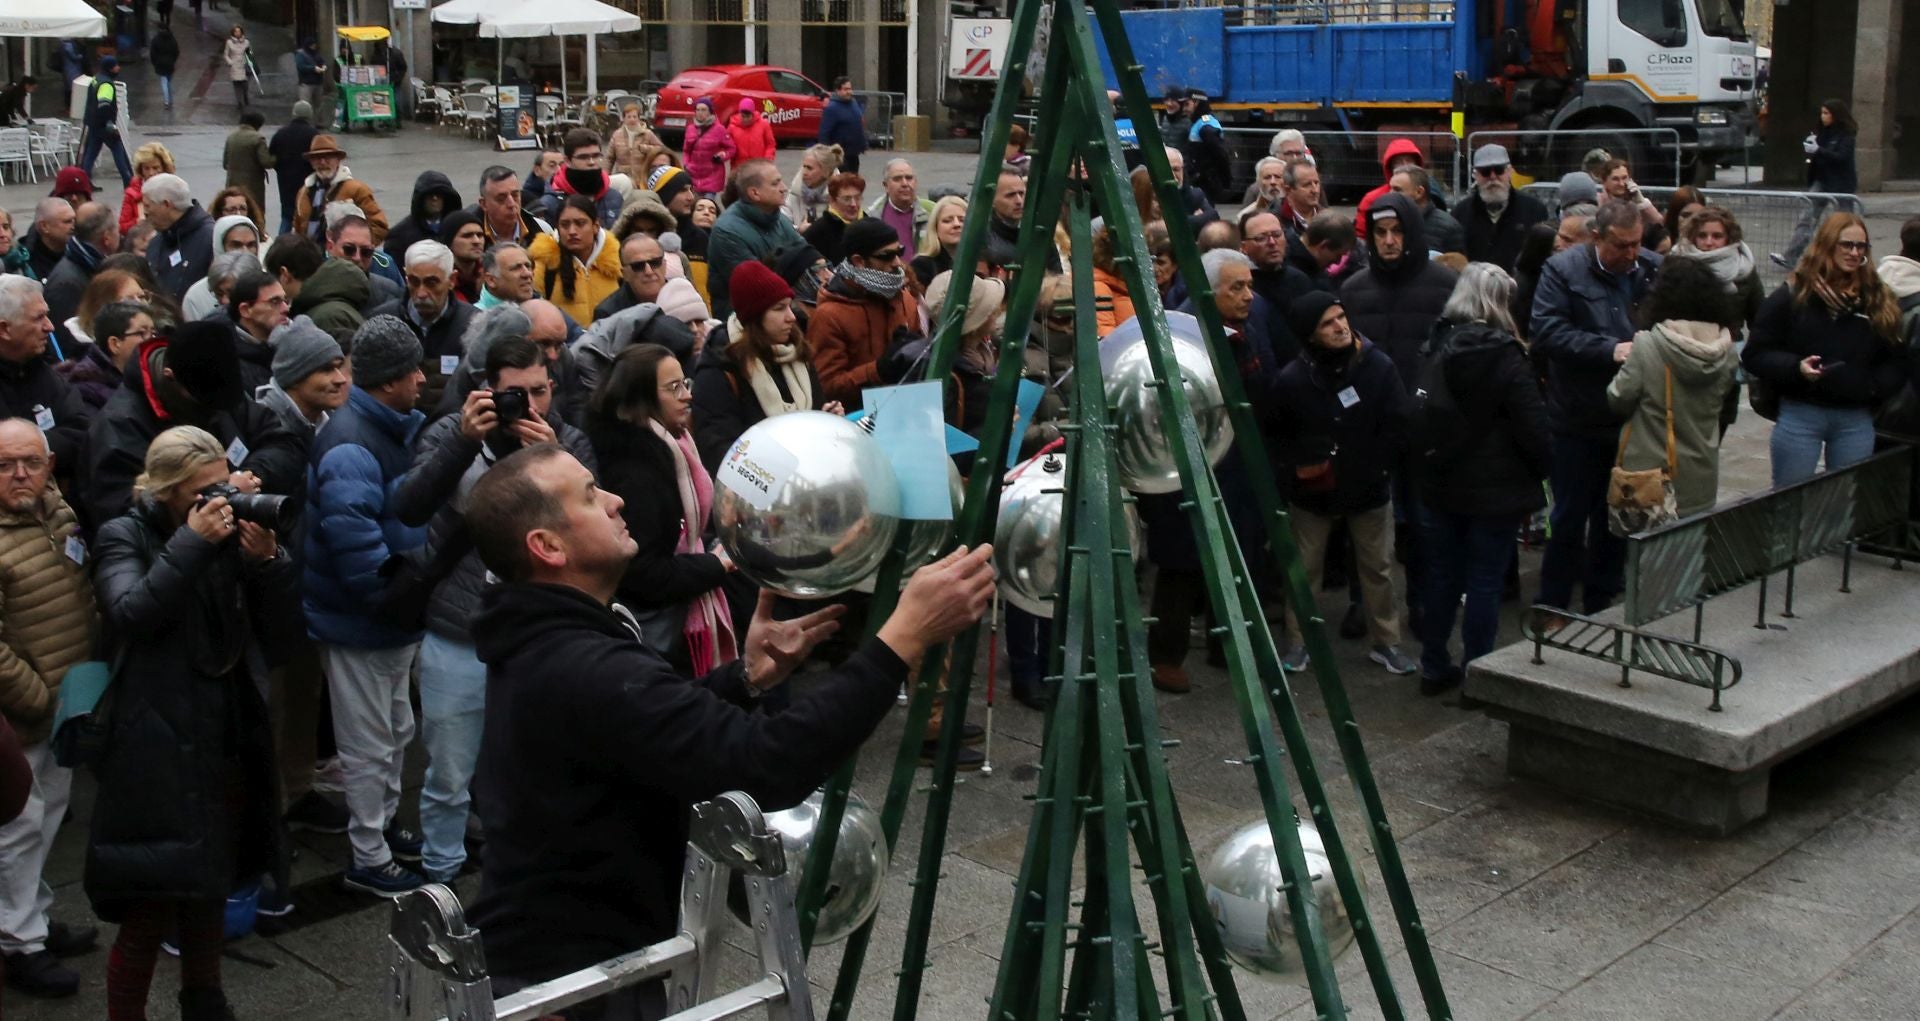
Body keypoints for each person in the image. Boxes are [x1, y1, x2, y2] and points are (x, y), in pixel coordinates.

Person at [457, 423, 992, 1006]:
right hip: (566, 989)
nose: (616, 501)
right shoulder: (577, 663)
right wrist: (900, 641)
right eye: (589, 495)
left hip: (580, 961)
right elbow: (765, 764)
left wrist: (745, 678)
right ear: (548, 547)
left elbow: (647, 728)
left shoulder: (551, 635)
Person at [86, 425, 291, 1021]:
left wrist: (268, 562)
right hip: (154, 740)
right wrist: (195, 543)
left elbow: (281, 638)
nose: (220, 498)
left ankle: (206, 1001)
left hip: (224, 730)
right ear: (169, 491)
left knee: (211, 884)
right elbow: (131, 613)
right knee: (150, 904)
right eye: (205, 489)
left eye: (225, 483)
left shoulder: (226, 533)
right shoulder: (124, 533)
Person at [392, 333, 593, 884]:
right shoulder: (450, 433)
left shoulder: (567, 441)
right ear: (486, 392)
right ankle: (442, 878)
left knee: (537, 766)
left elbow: (590, 530)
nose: (529, 407)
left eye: (540, 391)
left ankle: (528, 872)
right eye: (515, 394)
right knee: (449, 773)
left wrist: (552, 458)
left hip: (539, 634)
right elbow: (410, 507)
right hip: (461, 631)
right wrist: (461, 442)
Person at [304, 316, 432, 897]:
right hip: (365, 621)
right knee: (367, 743)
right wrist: (391, 598)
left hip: (392, 616)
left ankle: (383, 825)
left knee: (396, 730)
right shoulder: (353, 444)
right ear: (390, 381)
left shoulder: (387, 427)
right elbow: (354, 541)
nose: (424, 380)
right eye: (414, 371)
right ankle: (368, 854)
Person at [1412, 265, 1549, 694]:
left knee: (1442, 578)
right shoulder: (1508, 356)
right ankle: (1478, 672)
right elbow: (1534, 426)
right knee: (1485, 582)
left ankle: (1433, 665)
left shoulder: (1437, 342)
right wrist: (1542, 470)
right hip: (1497, 488)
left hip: (1440, 479)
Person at [1266, 293, 1415, 674]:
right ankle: (1299, 643)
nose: (1340, 326)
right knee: (1304, 569)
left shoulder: (1377, 366)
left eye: (1341, 317)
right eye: (1328, 322)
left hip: (1368, 489)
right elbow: (1278, 436)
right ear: (1310, 335)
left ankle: (1387, 641)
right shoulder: (1293, 379)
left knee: (1377, 568)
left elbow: (1398, 423)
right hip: (1312, 492)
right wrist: (1302, 463)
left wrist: (1379, 467)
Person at [0, 417, 97, 1000]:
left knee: (49, 816)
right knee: (18, 826)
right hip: (25, 712)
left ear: (49, 465)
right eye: (6, 465)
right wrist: (37, 696)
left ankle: (31, 916)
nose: (19, 474)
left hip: (66, 702)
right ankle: (18, 944)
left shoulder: (55, 509)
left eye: (30, 463)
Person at [1530, 199, 1660, 616]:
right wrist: (1609, 350)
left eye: (1637, 243)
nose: (1632, 254)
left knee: (1617, 513)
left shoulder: (1651, 268)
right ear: (1598, 238)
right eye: (1622, 246)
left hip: (1628, 419)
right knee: (1569, 516)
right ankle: (1553, 602)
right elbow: (1547, 332)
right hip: (1577, 417)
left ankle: (1602, 600)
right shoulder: (1562, 271)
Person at [1746, 214, 1905, 487]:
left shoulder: (1878, 298)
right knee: (1789, 499)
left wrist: (1872, 387)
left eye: (1861, 246)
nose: (1854, 253)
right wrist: (1796, 367)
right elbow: (1756, 354)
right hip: (1801, 411)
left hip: (1854, 416)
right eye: (1846, 245)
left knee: (1841, 503)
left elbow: (1896, 359)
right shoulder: (1794, 295)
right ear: (1828, 245)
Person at [1606, 256, 1740, 518]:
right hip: (1702, 471)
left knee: (1645, 553)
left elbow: (1618, 398)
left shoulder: (1648, 345)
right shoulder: (1728, 351)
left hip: (1651, 476)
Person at [690, 263, 831, 472]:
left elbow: (815, 411)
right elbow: (720, 450)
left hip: (811, 476)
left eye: (789, 305)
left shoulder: (796, 353)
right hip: (761, 491)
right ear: (754, 317)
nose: (791, 317)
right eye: (779, 308)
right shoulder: (720, 369)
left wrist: (828, 419)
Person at [1343, 193, 1460, 392]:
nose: (1389, 241)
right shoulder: (1352, 289)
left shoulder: (1448, 284)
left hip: (1430, 405)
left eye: (1397, 230)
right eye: (1381, 232)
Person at [809, 218, 922, 411]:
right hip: (858, 423)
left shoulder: (905, 299)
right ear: (858, 261)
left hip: (907, 413)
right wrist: (877, 370)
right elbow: (826, 387)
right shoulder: (829, 316)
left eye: (899, 252)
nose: (897, 263)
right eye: (887, 256)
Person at [373, 240, 476, 412]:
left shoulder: (474, 325)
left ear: (452, 280)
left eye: (431, 283)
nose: (421, 293)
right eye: (414, 281)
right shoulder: (381, 322)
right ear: (405, 276)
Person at [0, 278, 88, 473]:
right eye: (39, 318)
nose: (50, 326)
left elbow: (80, 435)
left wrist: (31, 445)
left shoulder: (47, 375)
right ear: (5, 329)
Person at [706, 160, 803, 320]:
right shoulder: (727, 231)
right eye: (775, 183)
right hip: (745, 323)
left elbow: (806, 257)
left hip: (781, 311)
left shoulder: (778, 219)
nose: (784, 188)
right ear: (754, 193)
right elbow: (759, 286)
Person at [529, 195, 623, 328]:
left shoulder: (616, 260)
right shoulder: (544, 263)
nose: (572, 231)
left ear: (596, 226)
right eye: (565, 225)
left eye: (580, 223)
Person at [1461, 144, 1550, 273]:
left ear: (1509, 172)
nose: (1492, 177)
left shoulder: (1534, 210)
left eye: (1498, 170)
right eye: (1485, 172)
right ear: (1475, 175)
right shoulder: (1461, 213)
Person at [44, 201, 118, 345]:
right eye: (117, 230)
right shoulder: (67, 283)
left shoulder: (92, 266)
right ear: (107, 238)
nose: (120, 235)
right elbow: (67, 339)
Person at [293, 136, 387, 244]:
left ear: (338, 160)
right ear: (311, 162)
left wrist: (357, 251)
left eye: (328, 157)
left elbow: (379, 227)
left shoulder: (356, 189)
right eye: (317, 158)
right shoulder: (303, 192)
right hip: (310, 257)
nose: (323, 162)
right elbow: (297, 229)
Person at [59, 300, 150, 410]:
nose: (152, 340)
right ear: (115, 344)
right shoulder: (85, 391)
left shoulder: (151, 375)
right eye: (142, 333)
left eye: (153, 333)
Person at [139, 175, 215, 302]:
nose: (145, 213)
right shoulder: (156, 242)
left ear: (166, 204)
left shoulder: (210, 239)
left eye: (147, 206)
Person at [540, 129, 623, 230]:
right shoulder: (550, 203)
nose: (591, 162)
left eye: (596, 156)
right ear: (567, 161)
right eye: (583, 157)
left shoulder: (614, 196)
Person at [1354, 138, 1428, 243]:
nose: (1405, 165)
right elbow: (1361, 237)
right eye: (1399, 162)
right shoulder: (1372, 199)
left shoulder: (1430, 193)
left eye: (1409, 161)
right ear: (1390, 167)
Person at [384, 171, 462, 261]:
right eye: (430, 194)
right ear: (420, 199)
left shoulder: (458, 228)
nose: (434, 198)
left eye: (439, 194)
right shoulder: (399, 236)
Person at [80, 57, 133, 187]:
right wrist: (109, 123)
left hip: (93, 123)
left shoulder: (96, 79)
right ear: (109, 68)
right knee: (118, 150)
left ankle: (84, 183)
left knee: (90, 154)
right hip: (104, 125)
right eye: (115, 66)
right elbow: (104, 104)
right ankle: (128, 180)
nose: (118, 68)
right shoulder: (106, 84)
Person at [1390, 165, 1465, 256]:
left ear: (1419, 192)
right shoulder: (1389, 222)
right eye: (1391, 188)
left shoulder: (1448, 229)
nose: (1391, 194)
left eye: (1397, 190)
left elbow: (1456, 266)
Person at [594, 234, 668, 322]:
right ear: (624, 274)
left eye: (655, 262)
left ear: (665, 265)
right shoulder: (608, 314)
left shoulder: (685, 296)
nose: (649, 272)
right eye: (638, 266)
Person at [474, 165, 551, 248]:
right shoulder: (467, 236)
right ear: (484, 204)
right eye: (501, 198)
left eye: (515, 195)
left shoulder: (543, 230)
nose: (511, 204)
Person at [803, 171, 867, 265]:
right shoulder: (818, 231)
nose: (853, 204)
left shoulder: (869, 225)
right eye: (847, 199)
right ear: (832, 200)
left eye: (857, 198)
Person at [1179, 91, 1231, 201]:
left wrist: (1225, 179)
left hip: (1206, 182)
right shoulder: (1198, 123)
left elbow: (1220, 154)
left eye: (1187, 104)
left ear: (1197, 103)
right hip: (1201, 180)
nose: (1184, 109)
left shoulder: (1206, 126)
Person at [681, 98, 737, 198]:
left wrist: (723, 156)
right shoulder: (690, 128)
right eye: (697, 110)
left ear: (710, 112)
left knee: (707, 206)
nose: (700, 113)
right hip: (693, 175)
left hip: (712, 176)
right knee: (695, 208)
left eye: (703, 110)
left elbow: (731, 148)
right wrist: (686, 165)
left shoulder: (719, 129)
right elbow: (686, 151)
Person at [220, 111, 274, 215]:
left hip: (232, 184)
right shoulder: (258, 138)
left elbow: (225, 163)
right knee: (254, 212)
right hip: (252, 185)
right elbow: (267, 162)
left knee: (234, 212)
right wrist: (276, 156)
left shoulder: (231, 137)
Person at [912, 196, 967, 290]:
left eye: (962, 220)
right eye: (947, 221)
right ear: (935, 227)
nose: (957, 224)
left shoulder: (981, 261)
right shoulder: (922, 265)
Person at [785, 143, 842, 233]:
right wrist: (798, 230)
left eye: (809, 168)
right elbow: (782, 222)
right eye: (804, 166)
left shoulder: (839, 196)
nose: (804, 172)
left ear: (826, 172)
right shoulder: (796, 191)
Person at [818, 77, 866, 173]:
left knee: (853, 181)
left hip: (854, 153)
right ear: (837, 91)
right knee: (843, 183)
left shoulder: (853, 103)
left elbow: (858, 125)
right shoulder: (832, 108)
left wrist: (863, 144)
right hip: (840, 155)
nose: (849, 92)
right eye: (845, 89)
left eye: (850, 88)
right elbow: (824, 132)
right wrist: (826, 153)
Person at [1596, 159, 1661, 229]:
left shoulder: (1637, 202)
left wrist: (1641, 202)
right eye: (1615, 179)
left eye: (1624, 178)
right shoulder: (1597, 201)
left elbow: (1659, 224)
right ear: (1604, 182)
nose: (1621, 184)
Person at [439, 210, 487, 304]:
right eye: (467, 236)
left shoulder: (491, 273)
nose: (476, 241)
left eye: (480, 235)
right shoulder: (440, 279)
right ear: (449, 242)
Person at [608, 105, 664, 183]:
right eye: (629, 117)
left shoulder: (647, 133)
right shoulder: (617, 135)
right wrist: (606, 177)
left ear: (639, 118)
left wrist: (646, 149)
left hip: (642, 178)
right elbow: (609, 158)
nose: (632, 119)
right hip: (623, 179)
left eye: (634, 117)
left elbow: (661, 149)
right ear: (624, 119)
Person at [21, 200, 73, 282]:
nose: (74, 226)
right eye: (67, 222)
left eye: (75, 220)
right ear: (44, 226)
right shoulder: (23, 261)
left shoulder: (82, 253)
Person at [1276, 157, 1322, 237]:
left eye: (1316, 183)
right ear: (1288, 189)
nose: (1315, 190)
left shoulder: (1329, 219)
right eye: (1307, 185)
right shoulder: (1275, 223)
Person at [223, 25, 252, 108]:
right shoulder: (229, 42)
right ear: (233, 33)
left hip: (244, 66)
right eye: (235, 31)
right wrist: (230, 62)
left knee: (245, 85)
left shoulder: (246, 42)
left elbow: (250, 53)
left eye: (239, 31)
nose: (237, 33)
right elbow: (226, 54)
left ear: (242, 32)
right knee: (237, 85)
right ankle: (240, 102)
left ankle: (245, 97)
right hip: (235, 66)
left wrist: (249, 62)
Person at [294, 40, 326, 111]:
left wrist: (324, 66)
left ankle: (318, 121)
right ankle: (306, 121)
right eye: (312, 45)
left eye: (314, 45)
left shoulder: (316, 54)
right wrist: (313, 68)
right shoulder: (300, 54)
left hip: (318, 83)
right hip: (306, 84)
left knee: (319, 106)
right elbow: (300, 66)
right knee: (305, 106)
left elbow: (322, 61)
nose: (313, 47)